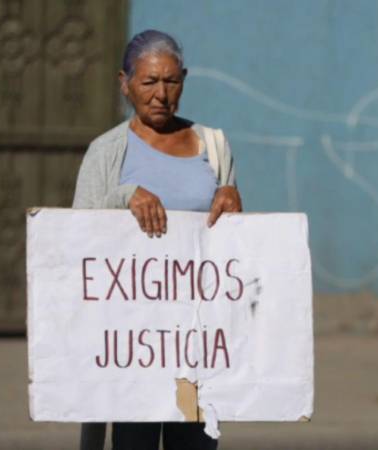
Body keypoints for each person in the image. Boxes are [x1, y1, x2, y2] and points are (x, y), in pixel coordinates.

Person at [74, 29, 242, 450]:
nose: (161, 94)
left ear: (184, 79)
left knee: (196, 442)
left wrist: (231, 197)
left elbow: (232, 246)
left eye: (171, 81)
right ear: (125, 83)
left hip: (196, 339)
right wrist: (124, 196)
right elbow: (77, 240)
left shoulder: (214, 146)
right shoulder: (106, 152)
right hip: (132, 343)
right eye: (149, 82)